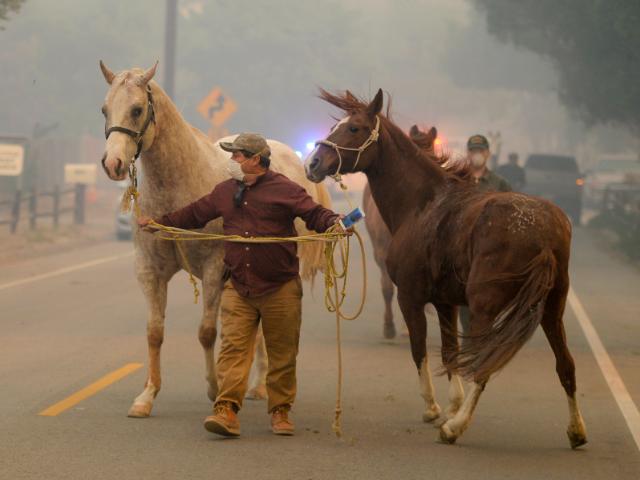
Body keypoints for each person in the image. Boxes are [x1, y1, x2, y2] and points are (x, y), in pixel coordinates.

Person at [137, 133, 346, 437]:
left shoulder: (286, 190)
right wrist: (160, 222)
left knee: (282, 354)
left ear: (255, 160)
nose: (232, 161)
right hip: (238, 286)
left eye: (237, 156)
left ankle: (280, 411)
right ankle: (226, 410)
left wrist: (335, 222)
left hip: (280, 287)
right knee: (232, 350)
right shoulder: (224, 192)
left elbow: (313, 213)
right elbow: (195, 213)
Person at [459, 134, 512, 337]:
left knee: (490, 297)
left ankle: (483, 337)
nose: (477, 155)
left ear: (488, 154)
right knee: (464, 296)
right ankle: (469, 338)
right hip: (463, 251)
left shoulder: (500, 184)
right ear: (467, 153)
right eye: (473, 151)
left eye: (480, 151)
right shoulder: (458, 181)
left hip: (492, 253)